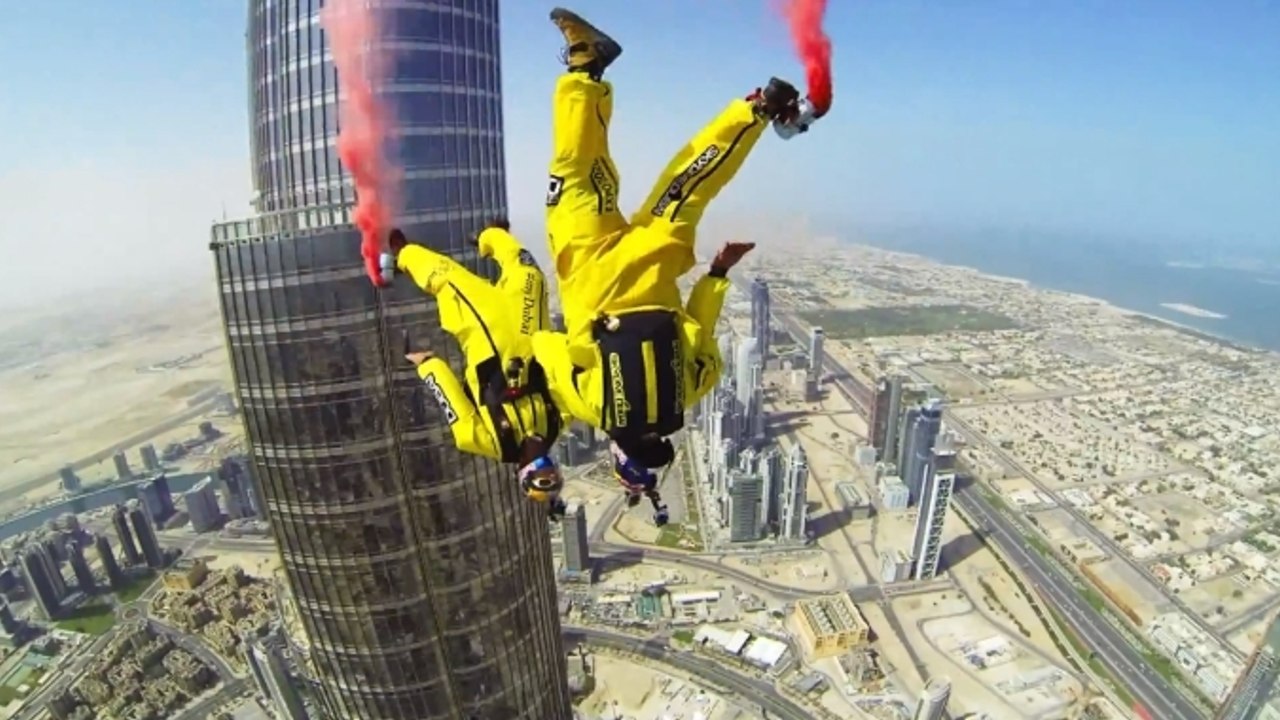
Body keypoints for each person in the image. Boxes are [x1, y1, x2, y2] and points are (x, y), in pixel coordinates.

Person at [531, 8, 817, 477]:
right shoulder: (590, 407)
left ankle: (758, 109)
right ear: (621, 450)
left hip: (653, 261)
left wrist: (719, 271)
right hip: (589, 266)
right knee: (576, 172)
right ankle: (585, 68)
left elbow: (700, 327)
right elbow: (546, 346)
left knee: (687, 184)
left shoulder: (692, 390)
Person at [387, 223, 568, 519]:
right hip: (528, 329)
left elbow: (452, 402)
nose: (541, 458)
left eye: (535, 467)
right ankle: (490, 236)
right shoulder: (554, 424)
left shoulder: (490, 441)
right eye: (550, 465)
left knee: (448, 279)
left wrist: (427, 364)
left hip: (486, 331)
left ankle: (404, 255)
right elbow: (572, 386)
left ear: (521, 470)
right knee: (530, 272)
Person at [611, 441, 670, 527]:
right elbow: (616, 453)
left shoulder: (646, 485)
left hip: (643, 452)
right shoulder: (622, 477)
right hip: (636, 449)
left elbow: (652, 494)